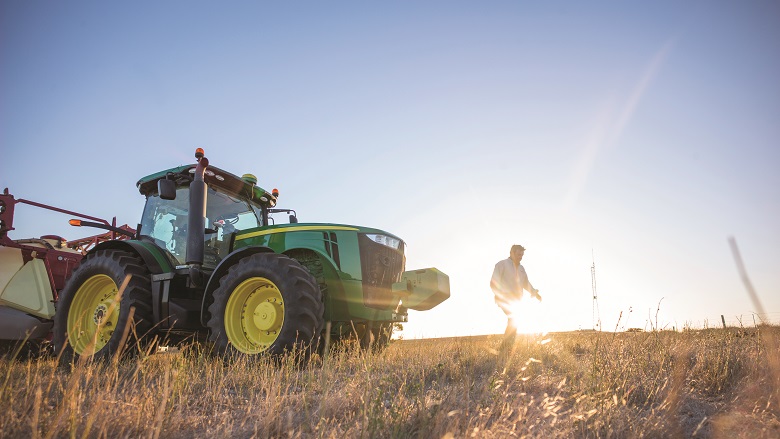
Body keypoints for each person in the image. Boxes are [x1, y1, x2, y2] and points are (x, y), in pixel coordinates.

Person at [490, 244, 541, 348]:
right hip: (504, 299)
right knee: (513, 319)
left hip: (517, 301)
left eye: (522, 255)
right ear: (511, 253)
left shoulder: (522, 268)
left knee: (515, 321)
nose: (520, 257)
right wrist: (499, 295)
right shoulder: (501, 264)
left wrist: (535, 293)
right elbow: (493, 283)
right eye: (518, 254)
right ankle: (506, 347)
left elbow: (526, 283)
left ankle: (506, 347)